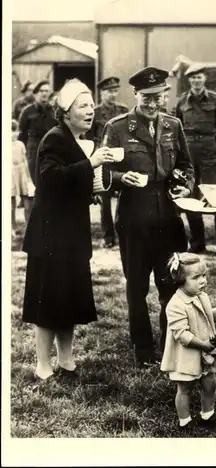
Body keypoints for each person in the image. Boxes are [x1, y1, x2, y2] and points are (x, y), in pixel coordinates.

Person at [22, 79, 114, 381]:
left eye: (92, 106)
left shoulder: (73, 139)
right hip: (50, 236)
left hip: (69, 234)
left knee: (68, 298)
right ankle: (42, 364)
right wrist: (91, 164)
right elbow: (49, 180)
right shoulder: (55, 138)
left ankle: (66, 360)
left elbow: (68, 184)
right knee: (49, 300)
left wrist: (91, 189)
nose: (90, 111)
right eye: (83, 106)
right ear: (65, 111)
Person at [102, 66, 195, 367]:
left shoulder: (173, 125)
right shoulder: (117, 128)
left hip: (168, 216)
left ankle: (169, 343)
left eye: (158, 97)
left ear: (164, 95)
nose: (152, 104)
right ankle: (143, 351)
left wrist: (185, 186)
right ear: (136, 95)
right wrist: (119, 178)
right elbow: (102, 171)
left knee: (171, 284)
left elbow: (187, 166)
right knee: (137, 287)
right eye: (147, 97)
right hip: (134, 215)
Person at [161, 252, 216, 430]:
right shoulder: (175, 304)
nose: (203, 281)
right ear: (180, 280)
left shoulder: (201, 296)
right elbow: (182, 335)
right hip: (187, 354)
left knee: (210, 383)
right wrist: (205, 346)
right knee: (185, 387)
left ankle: (207, 416)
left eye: (204, 275)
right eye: (196, 277)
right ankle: (185, 422)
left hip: (205, 351)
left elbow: (205, 316)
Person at [175, 65, 216, 258]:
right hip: (189, 153)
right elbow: (177, 129)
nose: (196, 81)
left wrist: (212, 147)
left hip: (210, 153)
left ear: (205, 79)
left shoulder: (215, 99)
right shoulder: (182, 101)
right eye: (193, 78)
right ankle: (198, 243)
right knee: (191, 198)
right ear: (189, 81)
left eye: (199, 77)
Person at [89, 76, 128, 248]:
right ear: (102, 93)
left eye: (115, 91)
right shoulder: (95, 112)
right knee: (104, 199)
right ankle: (108, 237)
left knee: (124, 197)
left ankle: (122, 233)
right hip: (102, 157)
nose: (112, 95)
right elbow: (89, 138)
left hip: (119, 157)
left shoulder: (124, 110)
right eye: (108, 91)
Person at [18, 80, 56, 184]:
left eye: (47, 91)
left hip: (51, 150)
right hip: (34, 150)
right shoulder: (27, 111)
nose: (44, 93)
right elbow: (22, 134)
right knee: (35, 181)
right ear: (35, 93)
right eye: (41, 91)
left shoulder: (54, 111)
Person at [11, 119, 35, 237]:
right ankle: (12, 228)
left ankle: (28, 228)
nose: (14, 134)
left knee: (26, 199)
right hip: (11, 172)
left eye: (15, 131)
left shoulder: (20, 144)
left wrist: (28, 177)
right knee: (11, 202)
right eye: (11, 131)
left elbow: (25, 160)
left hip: (21, 172)